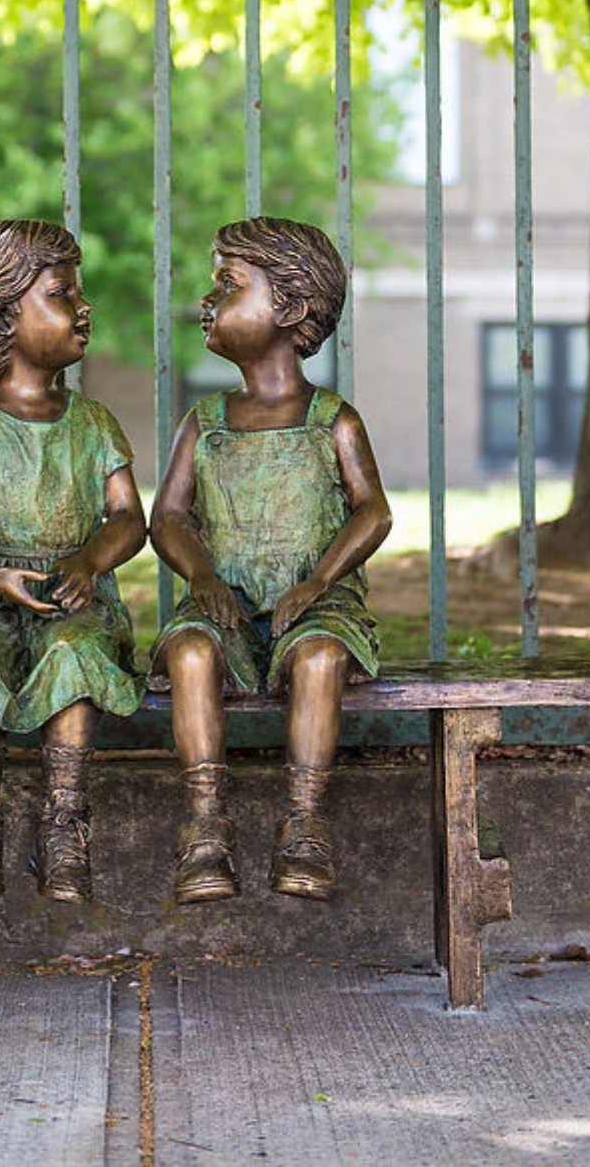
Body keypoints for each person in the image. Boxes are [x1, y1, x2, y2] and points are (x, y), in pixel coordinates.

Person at [149, 216, 392, 904]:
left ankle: (305, 823)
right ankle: (203, 826)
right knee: (190, 652)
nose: (207, 299)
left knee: (318, 660)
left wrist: (320, 579)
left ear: (288, 308)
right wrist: (200, 575)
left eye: (227, 284)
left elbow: (373, 511)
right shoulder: (205, 422)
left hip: (317, 604)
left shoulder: (332, 420)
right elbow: (166, 517)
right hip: (222, 598)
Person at [0, 219, 146, 904]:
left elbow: (130, 517)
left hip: (72, 588)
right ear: (2, 311)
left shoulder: (93, 422)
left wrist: (89, 560)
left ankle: (65, 821)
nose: (83, 309)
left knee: (78, 652)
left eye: (79, 292)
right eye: (61, 293)